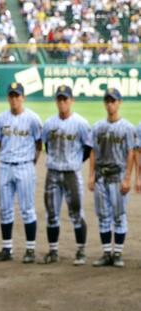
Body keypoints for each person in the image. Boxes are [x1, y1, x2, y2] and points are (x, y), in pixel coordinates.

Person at [0, 80, 42, 263]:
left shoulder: (33, 119)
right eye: (11, 96)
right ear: (8, 98)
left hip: (25, 166)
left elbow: (38, 144)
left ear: (23, 97)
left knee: (27, 210)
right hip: (5, 166)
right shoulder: (1, 119)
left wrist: (30, 162)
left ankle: (30, 249)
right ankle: (7, 249)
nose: (14, 100)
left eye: (17, 96)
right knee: (5, 210)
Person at [41, 85, 93, 265]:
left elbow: (88, 148)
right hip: (53, 172)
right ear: (56, 101)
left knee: (77, 212)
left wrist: (76, 161)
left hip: (72, 172)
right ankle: (53, 251)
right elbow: (47, 146)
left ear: (72, 100)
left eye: (65, 99)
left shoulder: (81, 123)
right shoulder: (49, 123)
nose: (62, 102)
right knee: (51, 213)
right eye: (60, 99)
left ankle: (81, 251)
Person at [88, 87, 135, 267]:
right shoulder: (98, 126)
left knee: (119, 215)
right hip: (101, 176)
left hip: (118, 175)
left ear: (119, 103)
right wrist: (91, 175)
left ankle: (118, 253)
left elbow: (131, 153)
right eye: (107, 101)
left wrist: (127, 178)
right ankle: (107, 253)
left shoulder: (127, 127)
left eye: (113, 101)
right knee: (103, 216)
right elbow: (93, 151)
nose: (110, 104)